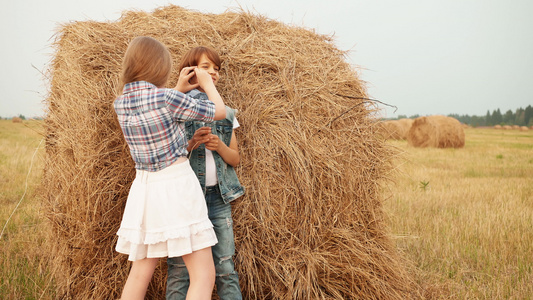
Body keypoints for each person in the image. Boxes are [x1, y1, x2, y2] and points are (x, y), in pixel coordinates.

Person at [114, 37, 227, 300]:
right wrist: (208, 83)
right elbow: (219, 111)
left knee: (140, 272)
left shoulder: (120, 103)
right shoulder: (167, 98)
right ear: (158, 66)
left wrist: (178, 89)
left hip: (144, 190)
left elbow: (160, 116)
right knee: (203, 275)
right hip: (177, 186)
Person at [166, 46, 245, 300]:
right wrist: (191, 145)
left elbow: (235, 158)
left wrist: (218, 145)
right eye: (206, 67)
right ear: (190, 70)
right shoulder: (175, 110)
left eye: (216, 69)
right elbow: (166, 156)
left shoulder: (227, 112)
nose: (213, 72)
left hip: (218, 200)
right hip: (186, 201)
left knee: (225, 267)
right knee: (179, 270)